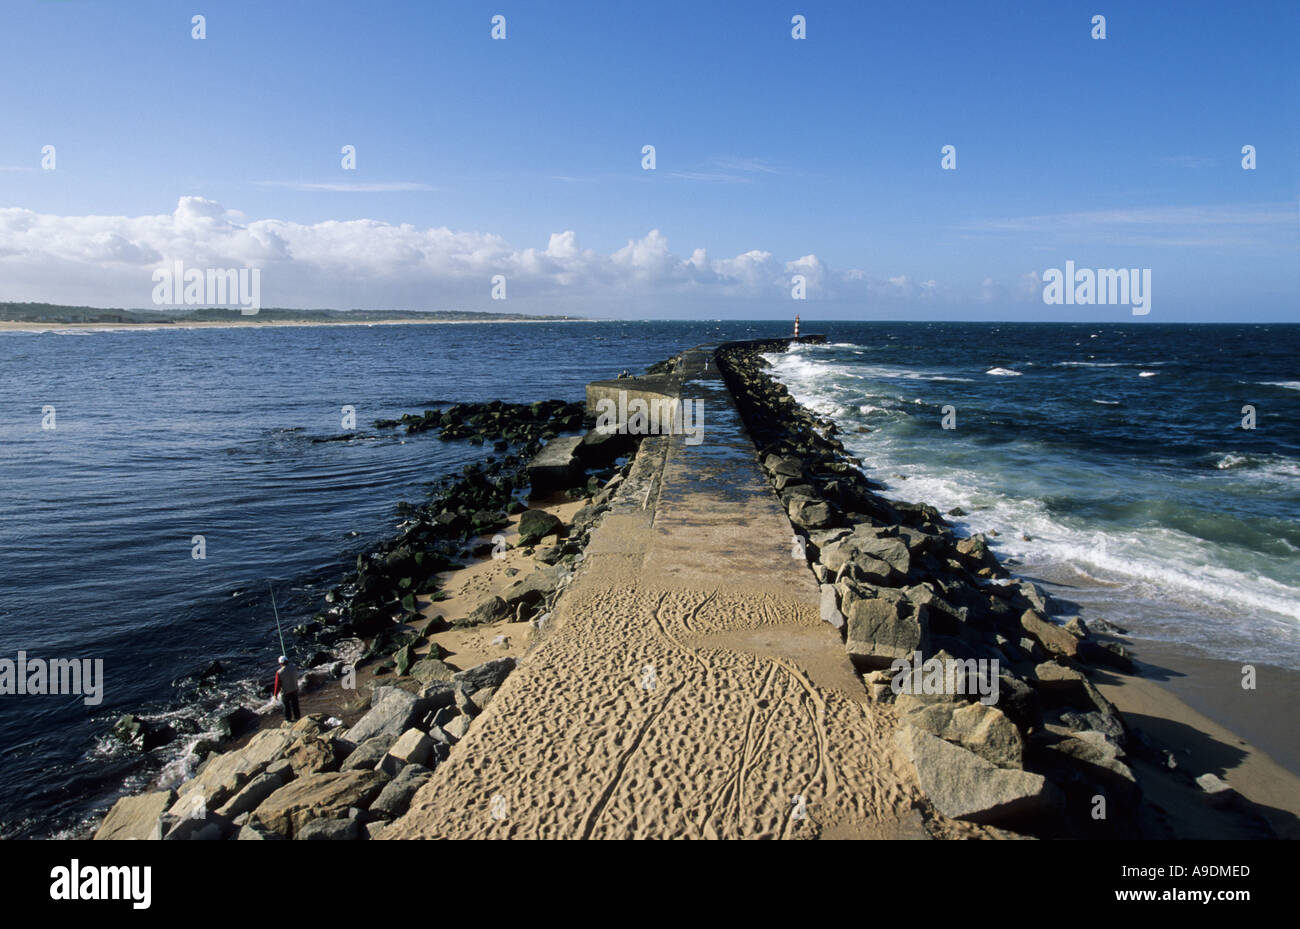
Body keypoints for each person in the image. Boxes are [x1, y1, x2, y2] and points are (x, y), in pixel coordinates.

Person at [273, 655, 300, 722]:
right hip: (294, 689)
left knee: (286, 707)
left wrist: (275, 694)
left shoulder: (279, 672)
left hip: (286, 692)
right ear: (287, 661)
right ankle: (297, 717)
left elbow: (277, 685)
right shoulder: (294, 667)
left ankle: (288, 719)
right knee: (295, 705)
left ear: (280, 663)